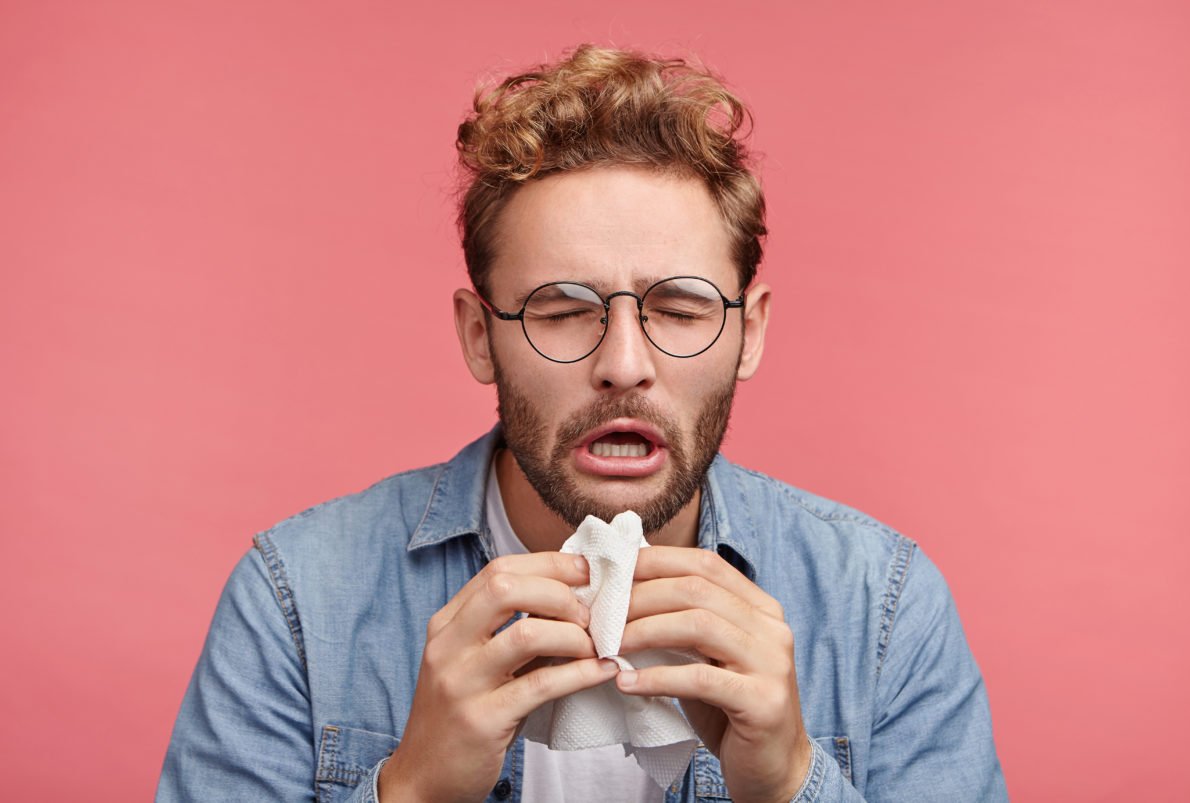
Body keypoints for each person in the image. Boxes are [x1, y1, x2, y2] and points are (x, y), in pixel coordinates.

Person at [157, 45, 1007, 803]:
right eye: (563, 309)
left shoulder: (884, 606)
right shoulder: (294, 598)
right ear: (478, 335)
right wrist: (410, 791)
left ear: (748, 333)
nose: (625, 362)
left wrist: (790, 783)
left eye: (679, 307)